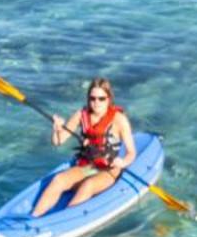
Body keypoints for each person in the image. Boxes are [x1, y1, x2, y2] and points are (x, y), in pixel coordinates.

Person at [31, 77, 136, 217]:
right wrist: (56, 128)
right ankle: (34, 218)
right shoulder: (81, 114)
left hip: (109, 170)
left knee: (88, 185)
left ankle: (64, 220)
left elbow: (131, 152)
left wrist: (122, 162)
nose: (96, 103)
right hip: (89, 168)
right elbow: (58, 141)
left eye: (101, 98)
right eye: (92, 98)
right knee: (59, 179)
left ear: (109, 99)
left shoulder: (119, 120)